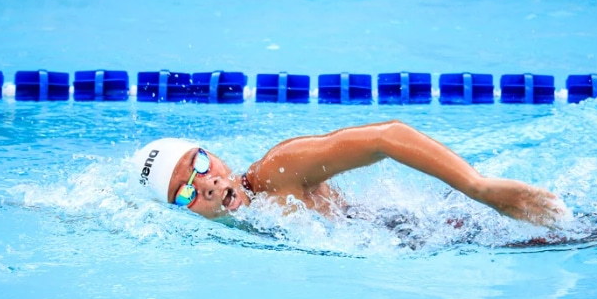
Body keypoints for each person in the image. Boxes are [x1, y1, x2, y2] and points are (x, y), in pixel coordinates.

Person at [132, 120, 566, 228]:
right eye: (184, 191)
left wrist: (480, 189)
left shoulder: (276, 171)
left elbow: (387, 137)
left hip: (427, 230)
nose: (205, 184)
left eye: (201, 165)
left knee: (583, 233)